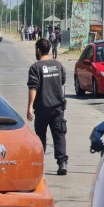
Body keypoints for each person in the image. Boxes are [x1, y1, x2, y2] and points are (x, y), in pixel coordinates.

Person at [26, 38, 68, 175]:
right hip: (57, 107)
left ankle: (40, 165)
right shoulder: (58, 65)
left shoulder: (35, 67)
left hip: (42, 107)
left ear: (38, 50)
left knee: (40, 137)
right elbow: (62, 81)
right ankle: (62, 163)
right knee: (59, 135)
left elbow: (33, 87)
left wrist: (30, 106)